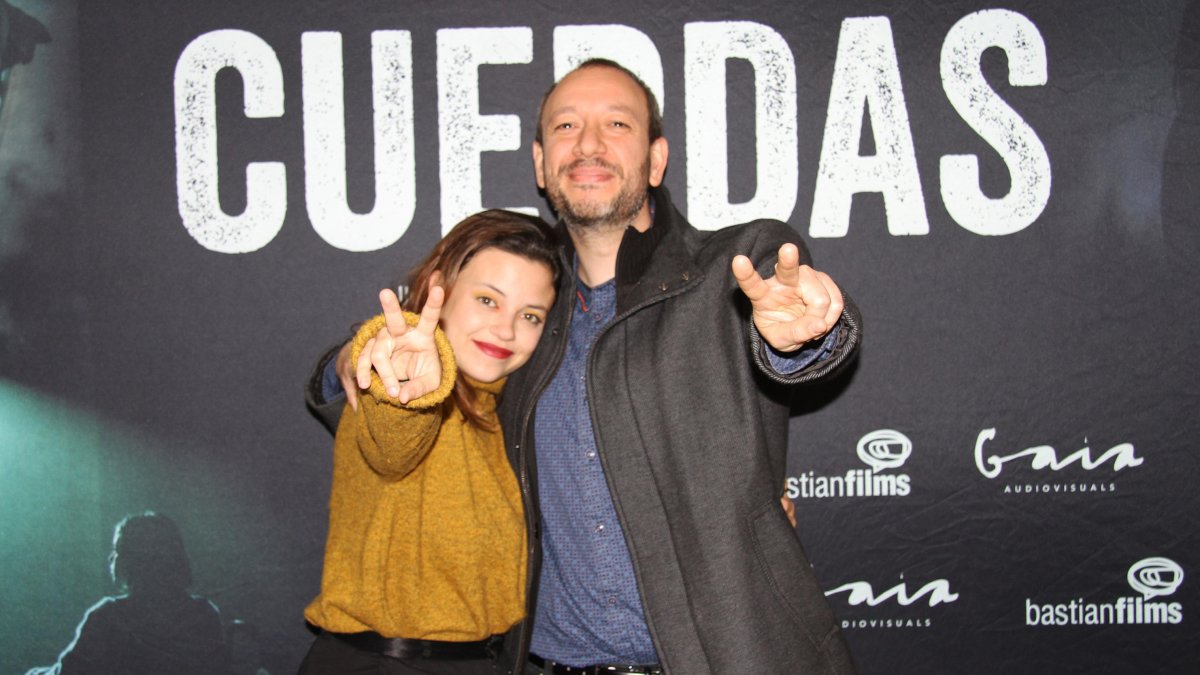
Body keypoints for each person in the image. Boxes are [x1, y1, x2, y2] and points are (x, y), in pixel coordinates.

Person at [308, 59, 861, 674]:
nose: (589, 143)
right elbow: (413, 395)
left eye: (617, 123)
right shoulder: (523, 317)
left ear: (656, 160)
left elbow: (798, 351)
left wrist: (802, 341)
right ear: (542, 164)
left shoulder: (736, 267)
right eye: (567, 126)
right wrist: (350, 362)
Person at [300, 209, 560, 674]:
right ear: (439, 289)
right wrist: (396, 383)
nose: (506, 329)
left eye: (530, 315)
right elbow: (393, 445)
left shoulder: (504, 409)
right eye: (487, 300)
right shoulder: (397, 373)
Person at [26, 511, 228, 675]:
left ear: (127, 560)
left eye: (117, 549)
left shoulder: (109, 617)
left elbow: (70, 672)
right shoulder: (204, 615)